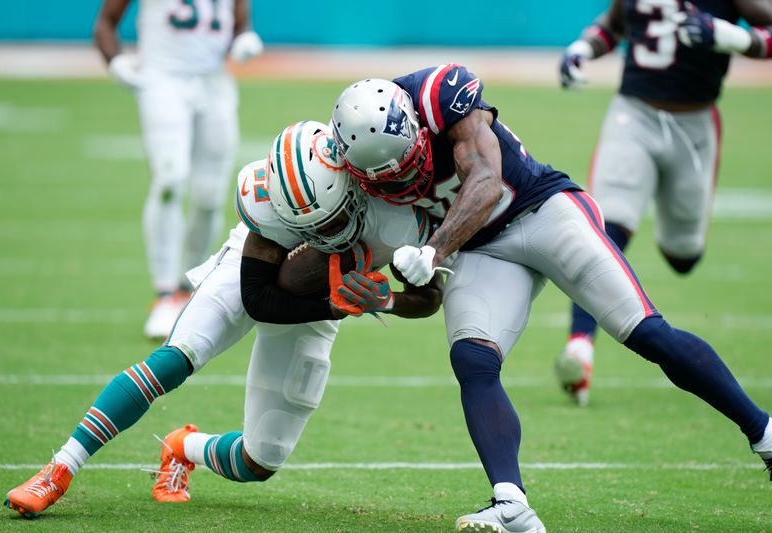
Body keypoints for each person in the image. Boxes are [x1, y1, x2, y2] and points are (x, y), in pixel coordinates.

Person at [330, 67, 772, 533]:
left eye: (405, 163)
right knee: (472, 358)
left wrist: (435, 250)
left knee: (646, 332)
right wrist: (389, 298)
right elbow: (425, 296)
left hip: (544, 210)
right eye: (383, 177)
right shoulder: (349, 165)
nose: (400, 180)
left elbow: (487, 183)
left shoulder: (440, 98)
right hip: (480, 249)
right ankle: (511, 504)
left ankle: (764, 434)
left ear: (415, 127)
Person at [3, 121, 442, 518]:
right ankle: (60, 467)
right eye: (310, 228)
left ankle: (183, 448)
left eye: (331, 222)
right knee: (177, 357)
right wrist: (333, 306)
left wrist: (387, 301)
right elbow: (258, 298)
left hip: (326, 296)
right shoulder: (270, 199)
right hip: (264, 280)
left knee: (261, 461)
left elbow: (429, 297)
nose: (325, 237)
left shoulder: (397, 207)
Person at [555, 0, 772, 405]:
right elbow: (614, 24)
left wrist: (733, 37)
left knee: (683, 254)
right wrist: (583, 48)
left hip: (695, 126)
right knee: (605, 227)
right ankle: (579, 345)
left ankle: (661, 207)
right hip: (633, 117)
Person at [93, 0, 264, 339]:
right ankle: (164, 294)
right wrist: (114, 61)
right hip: (163, 79)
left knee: (211, 195)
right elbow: (105, 24)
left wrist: (244, 39)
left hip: (214, 82)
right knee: (169, 179)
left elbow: (238, 25)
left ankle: (188, 290)